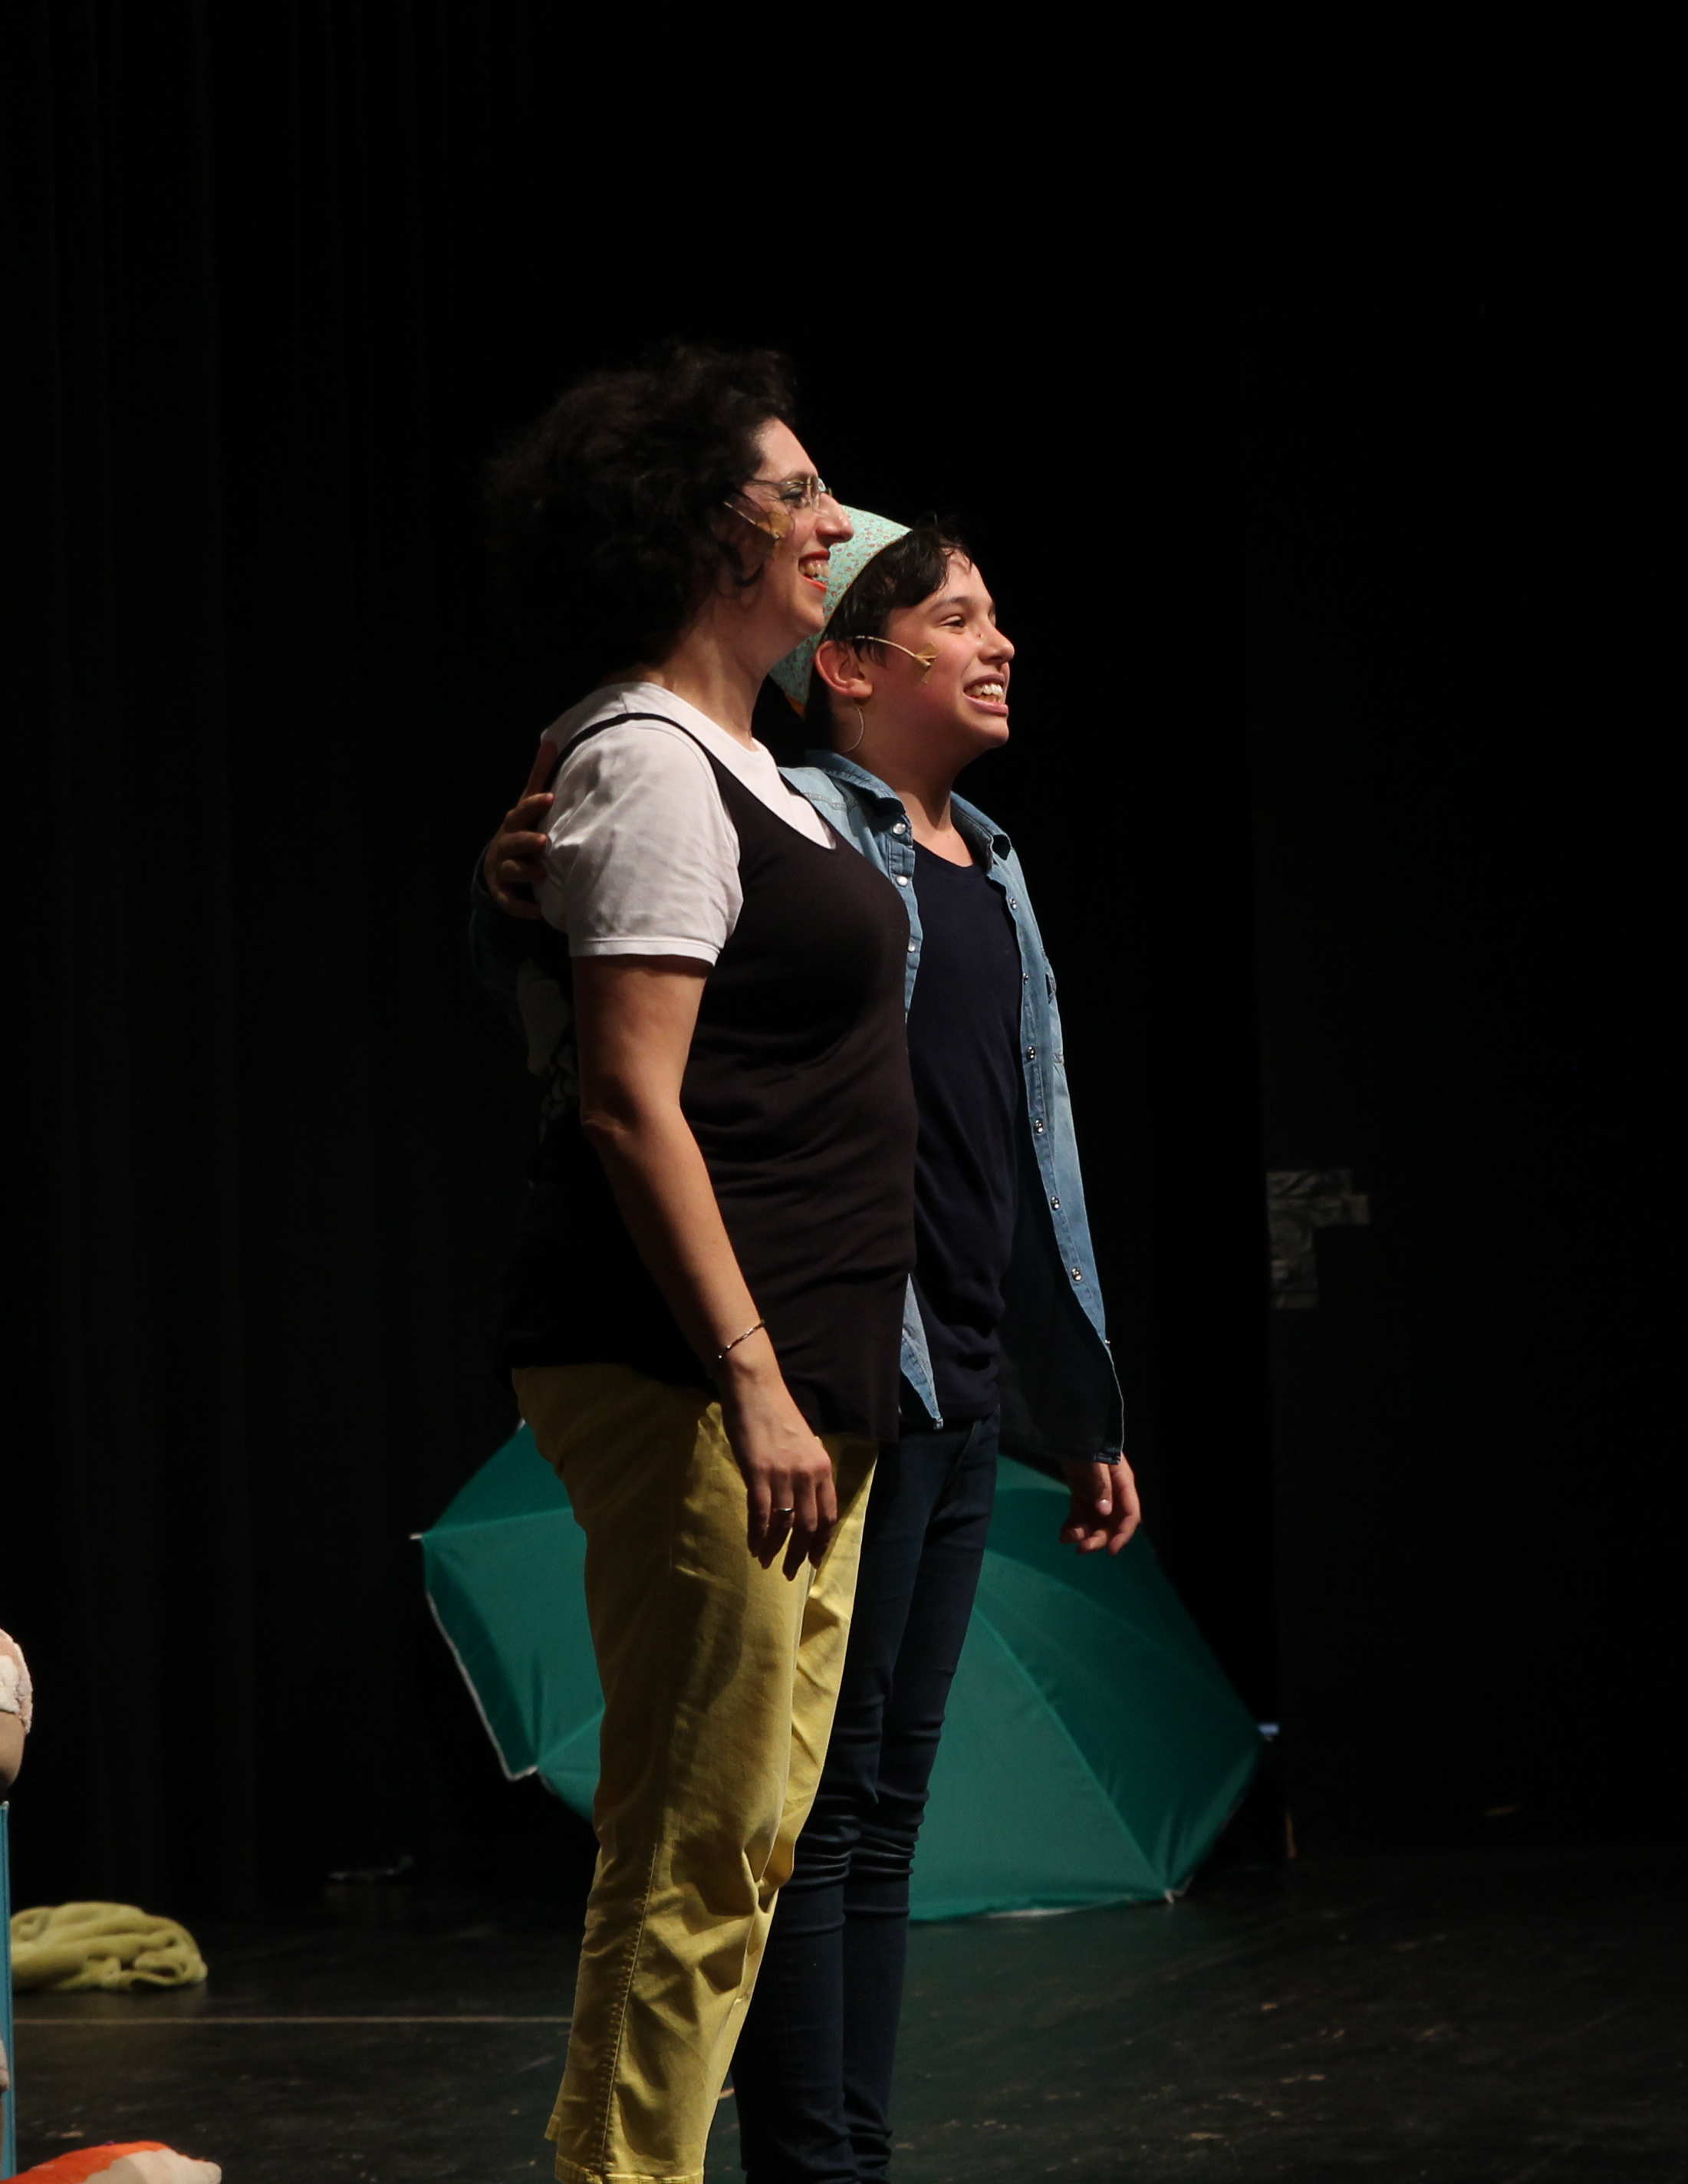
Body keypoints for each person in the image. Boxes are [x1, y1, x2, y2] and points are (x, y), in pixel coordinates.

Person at [474, 508, 1137, 2179]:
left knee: (869, 1806)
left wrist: (1075, 1394)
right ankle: (808, 2159)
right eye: (958, 617)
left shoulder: (993, 858)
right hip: (850, 1357)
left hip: (959, 1372)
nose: (998, 644)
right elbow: (609, 969)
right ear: (848, 662)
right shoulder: (806, 826)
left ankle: (846, 2150)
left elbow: (1025, 1153)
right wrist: (506, 889)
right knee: (791, 1809)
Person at [484, 344, 916, 2184]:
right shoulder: (652, 763)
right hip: (698, 1372)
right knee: (694, 1839)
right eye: (802, 492)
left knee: (742, 1838)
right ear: (705, 529)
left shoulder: (762, 769)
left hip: (803, 1365)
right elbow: (628, 1096)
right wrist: (751, 1374)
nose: (837, 520)